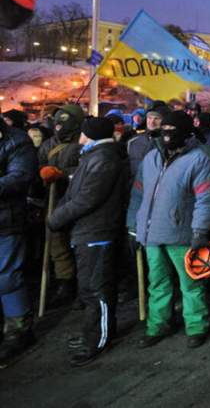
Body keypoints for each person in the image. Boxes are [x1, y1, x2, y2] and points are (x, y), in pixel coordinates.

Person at [128, 111, 210, 349]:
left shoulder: (201, 159)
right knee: (157, 282)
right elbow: (138, 194)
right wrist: (134, 226)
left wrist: (200, 231)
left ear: (186, 133)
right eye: (165, 129)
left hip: (182, 234)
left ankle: (196, 326)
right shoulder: (151, 158)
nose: (168, 135)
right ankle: (157, 325)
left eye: (174, 131)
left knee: (191, 284)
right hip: (151, 232)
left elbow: (208, 199)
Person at [46, 117, 127, 366]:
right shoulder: (93, 156)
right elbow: (76, 191)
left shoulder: (103, 159)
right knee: (91, 288)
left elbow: (86, 198)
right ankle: (93, 333)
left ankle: (97, 340)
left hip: (97, 232)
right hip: (88, 231)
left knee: (96, 289)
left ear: (88, 135)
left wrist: (55, 218)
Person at [37, 103, 86, 309]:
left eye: (65, 120)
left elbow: (88, 171)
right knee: (57, 246)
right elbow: (38, 167)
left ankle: (83, 289)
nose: (59, 125)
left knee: (79, 246)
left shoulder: (85, 143)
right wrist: (42, 175)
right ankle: (65, 285)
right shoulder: (48, 145)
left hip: (78, 203)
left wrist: (63, 174)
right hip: (54, 201)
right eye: (58, 120)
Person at [0, 118, 39, 364]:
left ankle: (19, 330)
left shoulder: (16, 140)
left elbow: (21, 177)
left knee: (7, 276)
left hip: (6, 221)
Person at [127, 101, 169, 182]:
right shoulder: (133, 141)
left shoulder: (170, 142)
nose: (152, 122)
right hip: (135, 188)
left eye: (157, 118)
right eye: (149, 118)